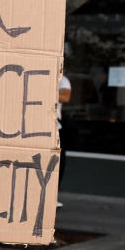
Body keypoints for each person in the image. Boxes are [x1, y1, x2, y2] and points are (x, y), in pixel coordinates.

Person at [57, 74, 72, 208]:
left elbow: (65, 97)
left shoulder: (62, 79)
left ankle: (53, 195)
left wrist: (40, 92)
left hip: (54, 126)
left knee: (59, 162)